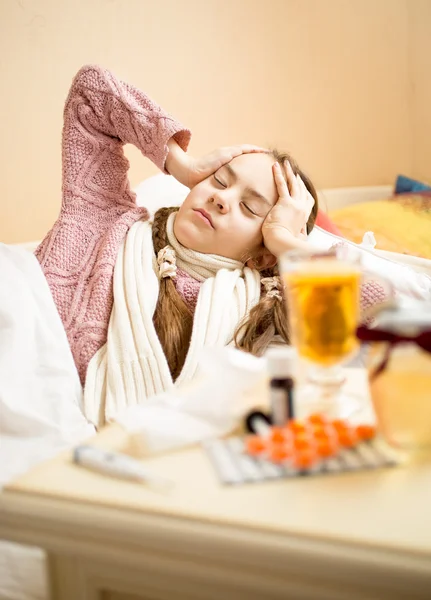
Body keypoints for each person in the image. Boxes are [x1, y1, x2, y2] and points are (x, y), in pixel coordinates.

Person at [36, 65, 384, 426]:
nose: (221, 198)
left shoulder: (267, 309)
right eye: (219, 179)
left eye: (249, 207)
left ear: (262, 251)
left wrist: (289, 246)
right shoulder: (102, 219)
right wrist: (182, 164)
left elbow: (391, 322)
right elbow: (91, 92)